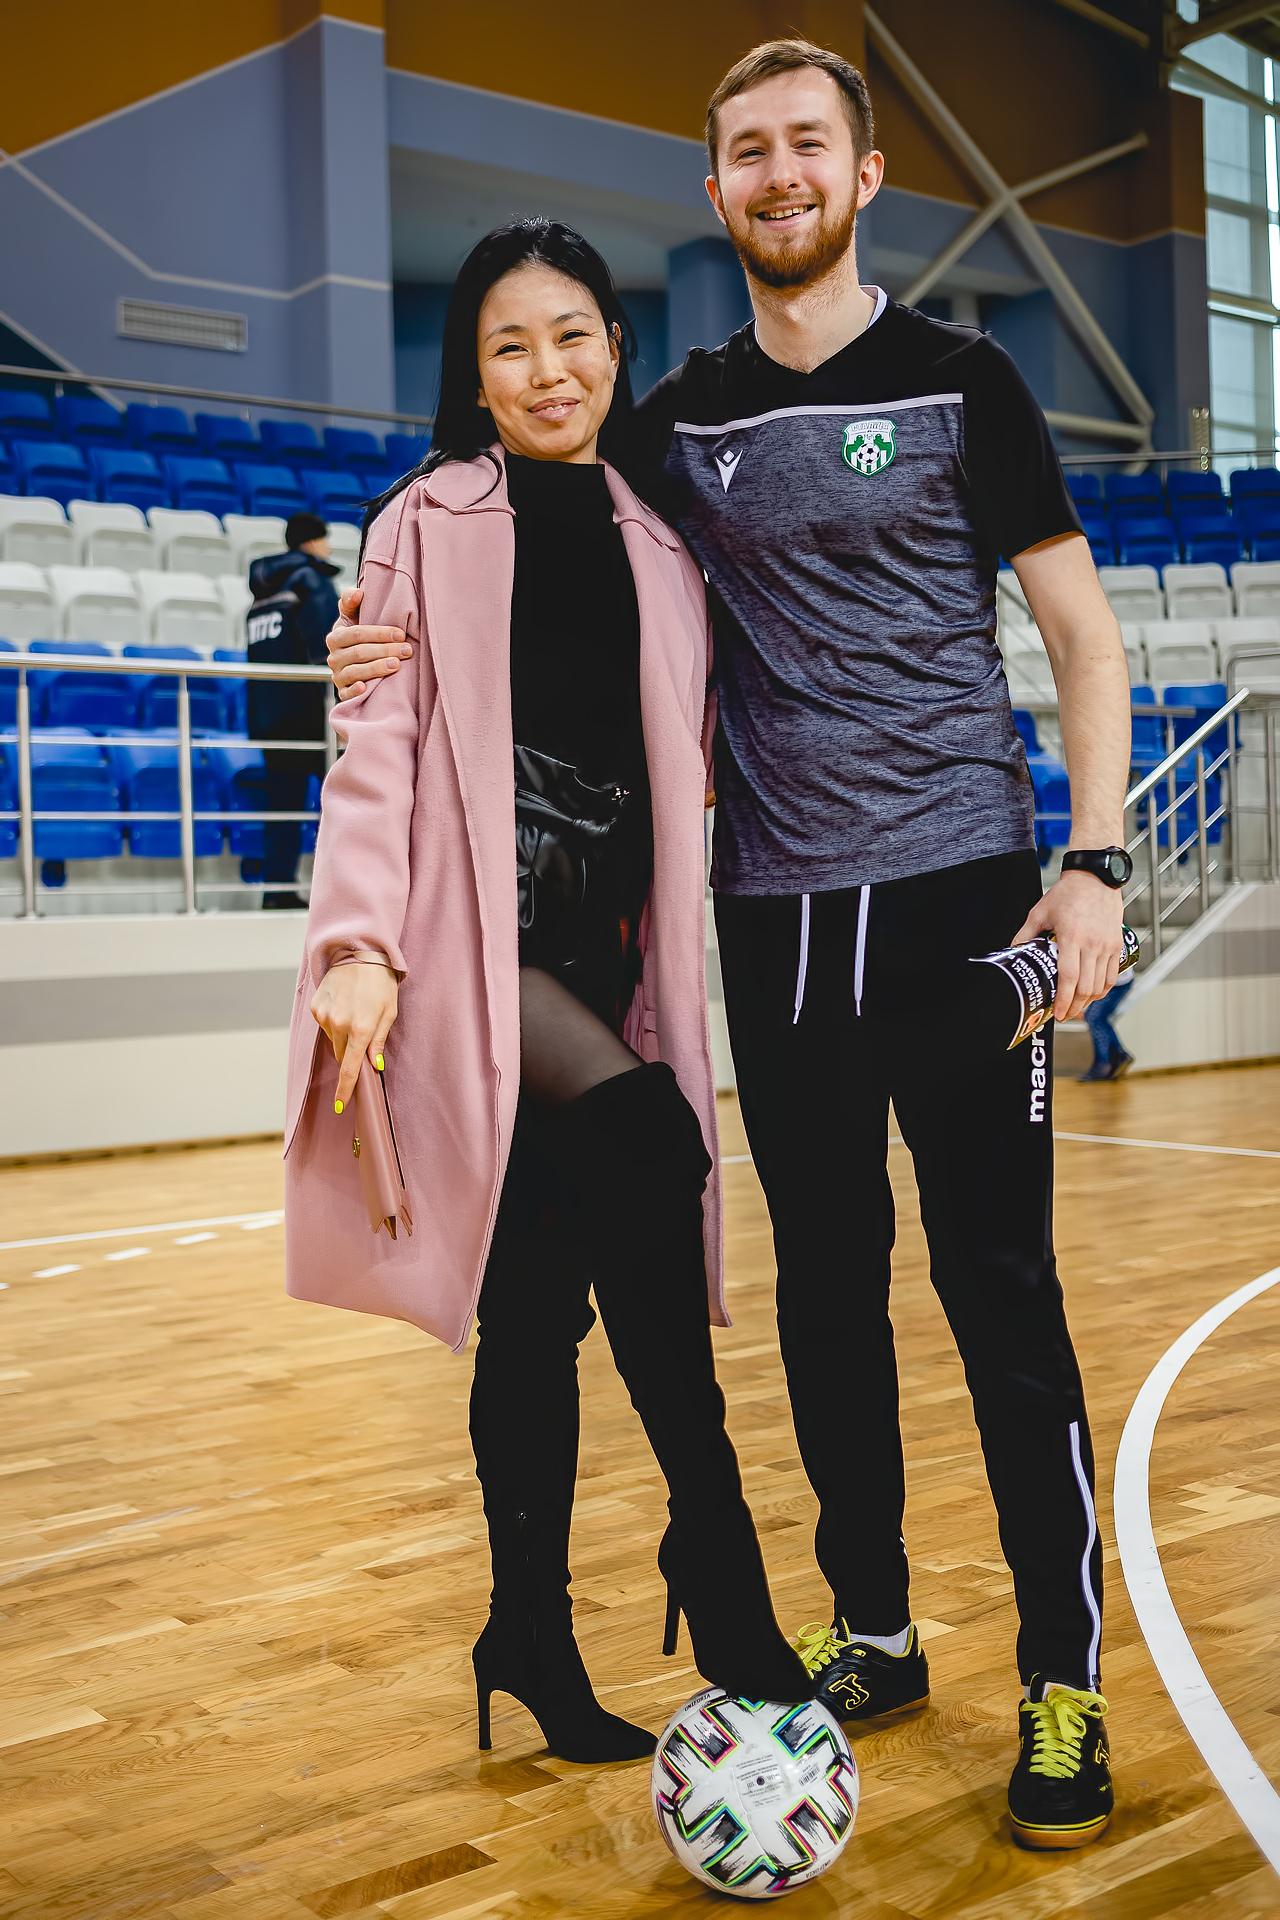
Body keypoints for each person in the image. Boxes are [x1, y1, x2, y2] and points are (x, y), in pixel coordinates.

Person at [324, 41, 1131, 1849]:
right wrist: (369, 636)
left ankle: (1064, 1679)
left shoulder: (970, 379)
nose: (780, 175)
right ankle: (875, 1627)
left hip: (967, 899)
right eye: (748, 151)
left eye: (808, 144)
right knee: (826, 1298)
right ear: (715, 191)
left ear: (865, 175)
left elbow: (1083, 634)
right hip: (774, 917)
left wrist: (1093, 866)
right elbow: (517, 511)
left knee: (1000, 1296)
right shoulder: (675, 422)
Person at [283, 219, 810, 1767]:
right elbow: (377, 750)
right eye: (509, 346)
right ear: (474, 375)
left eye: (572, 335)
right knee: (654, 1147)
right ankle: (722, 1569)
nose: (546, 369)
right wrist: (356, 945)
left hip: (607, 959)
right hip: (472, 956)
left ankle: (528, 1630)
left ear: (615, 350)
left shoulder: (661, 541)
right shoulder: (422, 522)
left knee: (538, 1302)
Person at [245, 511, 340, 909]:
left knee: (281, 806)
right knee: (339, 804)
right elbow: (328, 649)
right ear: (313, 541)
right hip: (311, 714)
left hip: (269, 716)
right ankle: (338, 894)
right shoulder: (312, 580)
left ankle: (278, 888)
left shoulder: (261, 596)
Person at [1081, 978, 1135, 1080]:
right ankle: (1118, 1056)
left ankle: (1106, 1062)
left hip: (1115, 984)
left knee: (1095, 1018)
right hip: (1111, 983)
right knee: (1094, 1018)